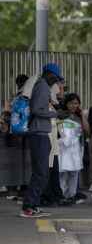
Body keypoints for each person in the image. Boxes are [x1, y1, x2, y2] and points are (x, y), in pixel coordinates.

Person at [21, 63, 63, 218]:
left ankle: (33, 204)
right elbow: (37, 110)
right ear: (49, 74)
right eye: (56, 78)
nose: (56, 82)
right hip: (39, 133)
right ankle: (28, 207)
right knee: (41, 172)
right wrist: (55, 114)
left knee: (42, 172)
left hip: (41, 133)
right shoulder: (42, 86)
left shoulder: (42, 86)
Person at [57, 93, 87, 206]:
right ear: (66, 104)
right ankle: (62, 194)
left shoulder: (79, 117)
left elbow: (86, 132)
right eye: (71, 103)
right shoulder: (60, 115)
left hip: (76, 148)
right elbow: (58, 131)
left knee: (74, 172)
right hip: (63, 148)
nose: (73, 106)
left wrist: (83, 116)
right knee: (63, 172)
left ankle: (72, 195)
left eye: (76, 103)